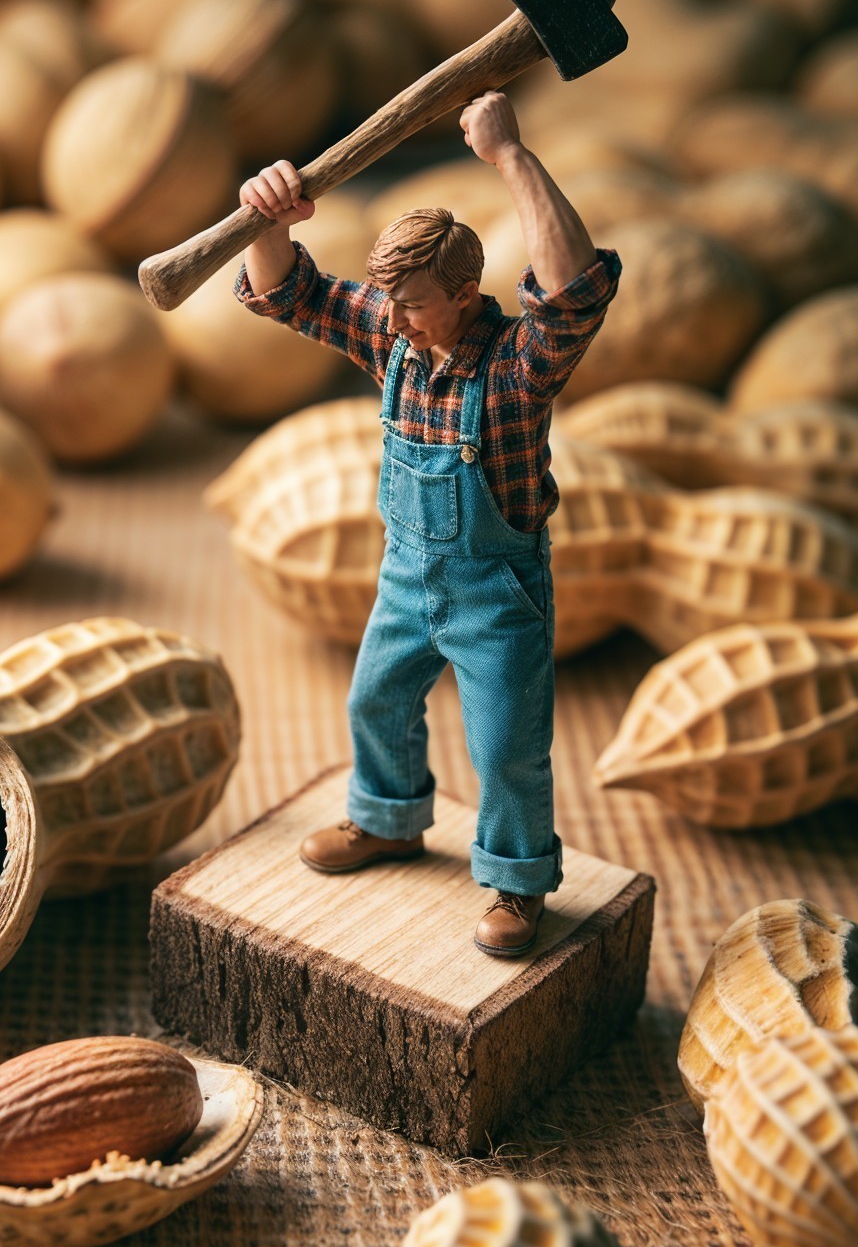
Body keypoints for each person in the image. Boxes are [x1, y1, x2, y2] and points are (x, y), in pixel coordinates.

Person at [234, 90, 620, 957]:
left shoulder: (518, 367)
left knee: (507, 746)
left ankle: (518, 883)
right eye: (390, 305)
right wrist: (267, 219)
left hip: (497, 595)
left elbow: (575, 295)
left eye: (411, 303)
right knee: (374, 697)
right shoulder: (397, 338)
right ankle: (389, 817)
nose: (396, 320)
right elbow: (290, 292)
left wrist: (510, 156)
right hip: (408, 576)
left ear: (461, 290)